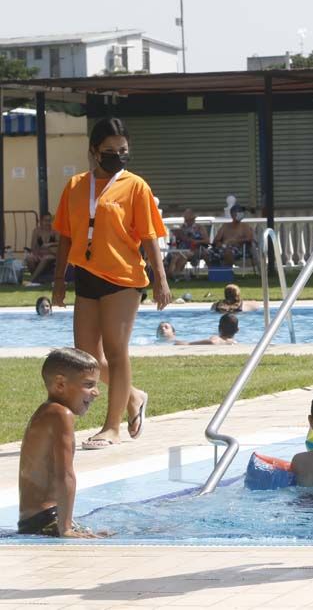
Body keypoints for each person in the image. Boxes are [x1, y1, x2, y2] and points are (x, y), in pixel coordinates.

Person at [51, 117, 170, 450]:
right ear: (93, 151)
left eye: (123, 150)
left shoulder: (135, 186)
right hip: (86, 275)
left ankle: (112, 427)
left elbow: (148, 237)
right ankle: (133, 396)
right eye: (109, 150)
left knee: (116, 353)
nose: (117, 156)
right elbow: (64, 236)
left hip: (124, 277)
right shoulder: (75, 186)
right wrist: (59, 280)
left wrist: (160, 279)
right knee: (87, 358)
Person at [18, 348, 103, 537]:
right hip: (45, 520)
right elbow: (65, 475)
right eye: (89, 384)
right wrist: (65, 529)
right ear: (60, 384)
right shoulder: (60, 414)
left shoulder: (49, 411)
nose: (96, 392)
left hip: (36, 520)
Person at [167, 209, 209, 279]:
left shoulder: (200, 228)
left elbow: (207, 241)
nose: (186, 221)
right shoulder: (183, 227)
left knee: (183, 256)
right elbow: (181, 239)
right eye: (185, 220)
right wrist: (178, 235)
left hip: (196, 249)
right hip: (183, 249)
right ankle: (172, 274)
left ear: (193, 219)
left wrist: (196, 241)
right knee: (175, 257)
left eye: (188, 220)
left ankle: (176, 274)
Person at [25, 213, 59, 282]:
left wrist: (49, 244)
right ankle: (37, 278)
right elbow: (33, 246)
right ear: (41, 221)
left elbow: (60, 243)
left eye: (50, 220)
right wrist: (35, 255)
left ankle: (32, 280)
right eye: (46, 221)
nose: (48, 223)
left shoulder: (55, 231)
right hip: (40, 254)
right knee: (29, 258)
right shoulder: (36, 231)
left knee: (46, 258)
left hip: (52, 254)